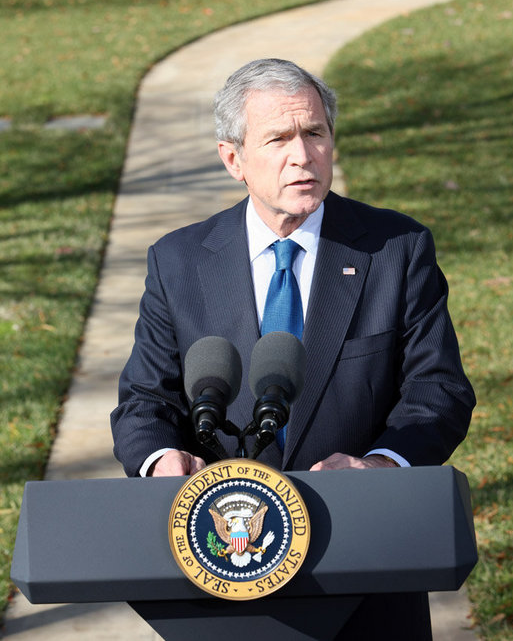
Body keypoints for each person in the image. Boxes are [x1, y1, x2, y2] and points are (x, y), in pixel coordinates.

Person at [111, 58, 475, 638]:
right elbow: (143, 401)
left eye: (315, 133)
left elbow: (439, 390)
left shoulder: (396, 250)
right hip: (221, 567)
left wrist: (380, 465)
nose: (302, 156)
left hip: (363, 563)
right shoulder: (178, 261)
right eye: (278, 138)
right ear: (234, 159)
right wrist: (160, 461)